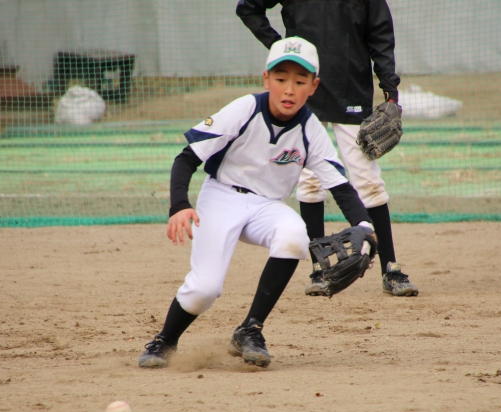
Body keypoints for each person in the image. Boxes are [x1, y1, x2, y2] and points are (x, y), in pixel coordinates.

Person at [138, 37, 376, 369]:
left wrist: (365, 225)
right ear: (266, 79)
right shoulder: (244, 110)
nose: (289, 89)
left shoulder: (311, 130)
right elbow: (187, 158)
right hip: (221, 197)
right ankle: (165, 339)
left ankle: (250, 329)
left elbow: (340, 186)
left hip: (267, 207)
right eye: (281, 78)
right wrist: (179, 204)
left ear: (313, 86)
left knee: (294, 235)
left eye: (300, 81)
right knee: (204, 289)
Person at [237, 0, 419, 297]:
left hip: (351, 87)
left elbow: (381, 36)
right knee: (309, 181)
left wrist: (390, 90)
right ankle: (319, 270)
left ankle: (391, 269)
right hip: (305, 90)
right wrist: (282, 50)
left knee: (367, 180)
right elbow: (248, 7)